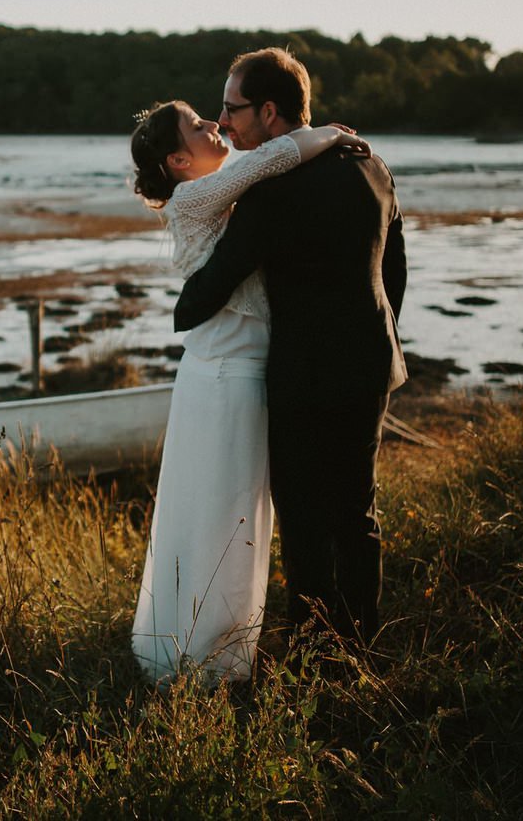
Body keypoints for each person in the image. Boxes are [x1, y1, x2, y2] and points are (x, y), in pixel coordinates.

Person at [129, 99, 368, 685]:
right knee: (225, 513)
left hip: (227, 371)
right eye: (198, 125)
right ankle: (212, 661)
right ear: (181, 159)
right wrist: (329, 133)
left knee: (227, 510)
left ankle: (205, 643)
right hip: (227, 377)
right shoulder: (196, 197)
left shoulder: (216, 197)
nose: (215, 124)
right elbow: (275, 156)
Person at [174, 47, 406, 643]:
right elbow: (393, 268)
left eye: (232, 110)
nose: (223, 122)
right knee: (357, 511)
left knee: (304, 521)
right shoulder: (371, 165)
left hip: (304, 376)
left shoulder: (271, 191)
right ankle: (364, 646)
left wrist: (186, 305)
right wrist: (377, 336)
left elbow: (220, 278)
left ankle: (315, 652)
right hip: (371, 361)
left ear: (269, 111)